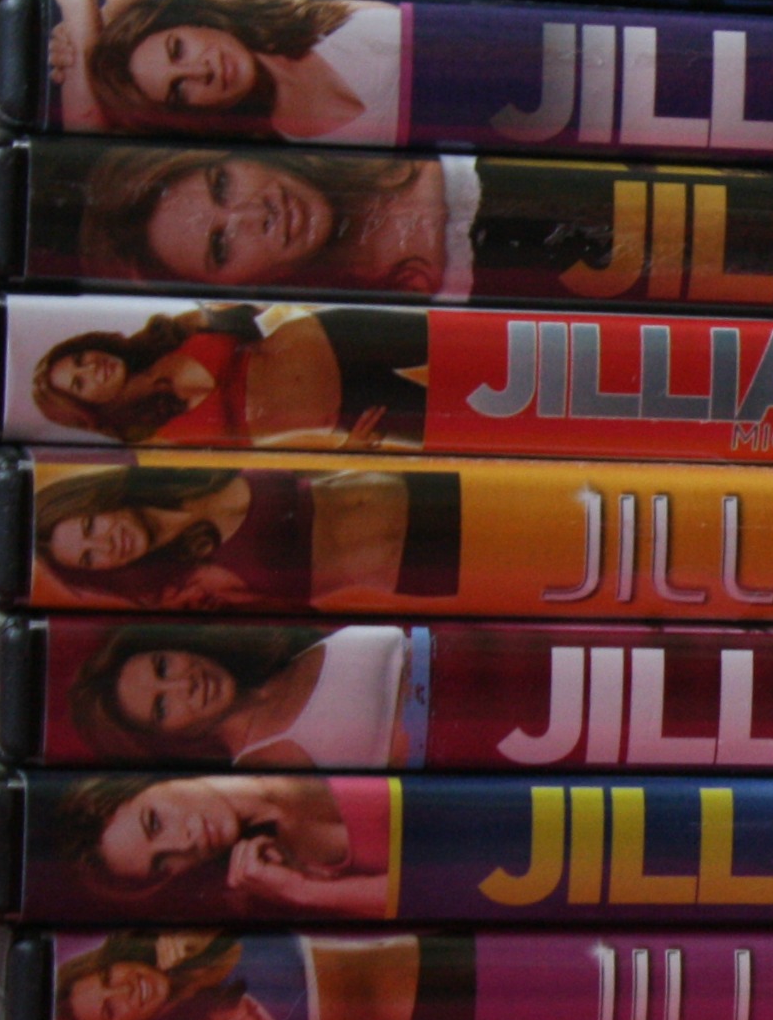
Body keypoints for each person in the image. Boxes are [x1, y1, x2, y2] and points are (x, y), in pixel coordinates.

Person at [28, 464, 462, 610]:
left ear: (99, 500)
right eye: (89, 558)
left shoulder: (185, 474)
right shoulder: (186, 586)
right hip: (425, 563)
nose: (105, 544)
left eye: (90, 527)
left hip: (425, 487)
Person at [52, 930, 475, 1020]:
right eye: (111, 1009)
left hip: (441, 949)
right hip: (435, 1018)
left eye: (108, 977)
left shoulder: (191, 945)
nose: (124, 989)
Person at [27, 299, 431, 449]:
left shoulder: (167, 333)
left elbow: (249, 310)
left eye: (80, 358)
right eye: (80, 383)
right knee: (466, 420)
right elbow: (262, 479)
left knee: (466, 343)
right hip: (354, 411)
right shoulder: (158, 441)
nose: (91, 368)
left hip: (340, 335)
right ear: (89, 410)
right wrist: (347, 451)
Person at [68, 147, 458, 296]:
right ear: (233, 288)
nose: (256, 214)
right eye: (220, 247)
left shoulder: (422, 136)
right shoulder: (405, 324)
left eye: (222, 184)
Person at [52, 0, 403, 147]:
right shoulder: (275, 153)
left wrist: (108, 18)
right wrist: (83, 33)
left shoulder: (305, 10)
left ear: (195, 20)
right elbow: (83, 147)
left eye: (179, 49)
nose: (200, 72)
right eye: (179, 89)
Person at [42, 772, 396, 917]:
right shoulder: (275, 881)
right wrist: (307, 891)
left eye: (155, 822)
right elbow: (428, 893)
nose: (184, 844)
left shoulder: (282, 741)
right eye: (162, 864)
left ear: (151, 779)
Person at [62, 624, 413, 767]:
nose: (185, 685)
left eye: (163, 666)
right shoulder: (262, 767)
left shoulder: (283, 651)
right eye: (162, 706)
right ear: (169, 737)